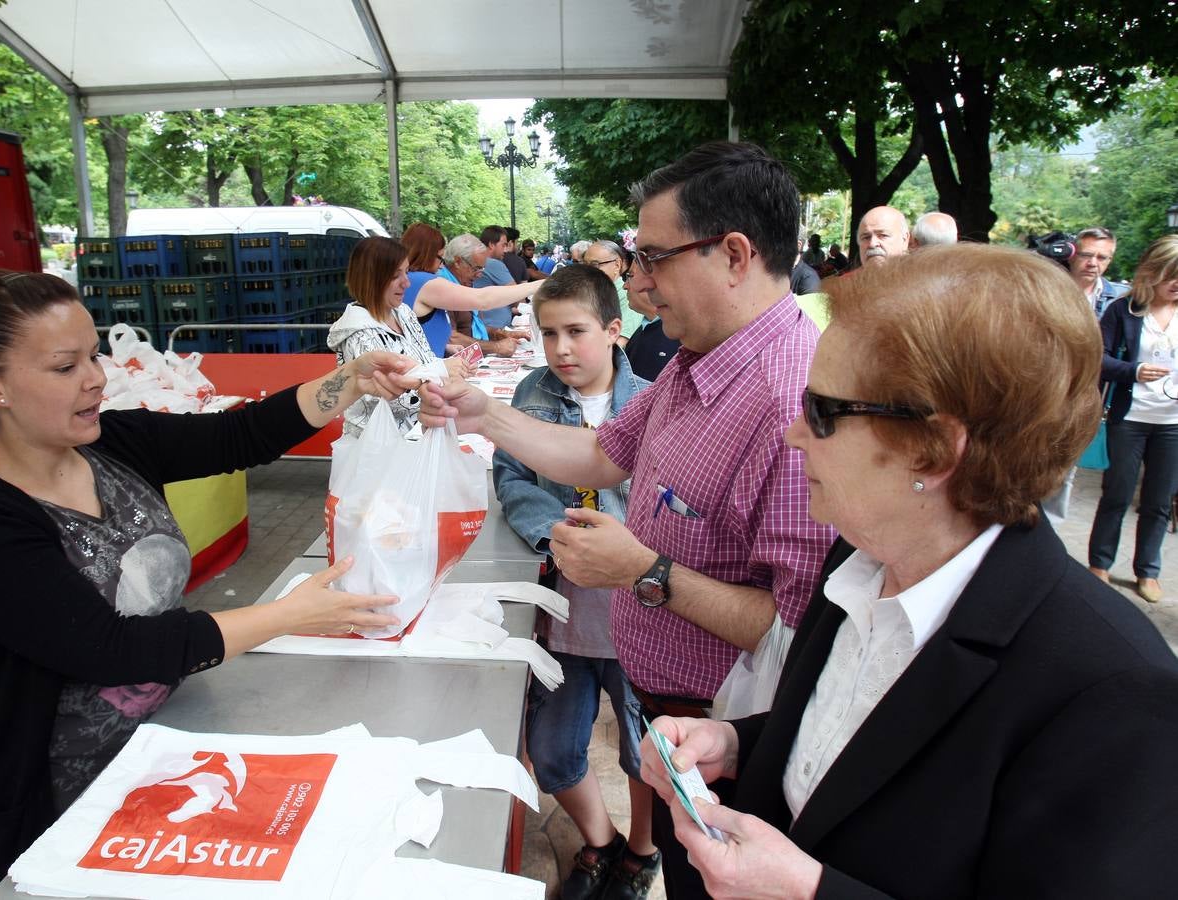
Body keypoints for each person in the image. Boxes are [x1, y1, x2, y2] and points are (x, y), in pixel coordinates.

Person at [641, 244, 1178, 899]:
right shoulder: (862, 556)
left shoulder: (1113, 689)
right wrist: (734, 745)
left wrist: (809, 892)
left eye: (821, 411)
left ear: (933, 451)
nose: (793, 434)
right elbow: (855, 752)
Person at [0, 270, 416, 885]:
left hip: (161, 749)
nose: (95, 378)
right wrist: (286, 615)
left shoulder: (115, 443)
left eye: (94, 356)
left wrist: (352, 379)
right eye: (65, 367)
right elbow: (108, 649)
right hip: (52, 797)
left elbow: (238, 436)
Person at [420, 141, 835, 894]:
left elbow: (799, 635)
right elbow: (601, 453)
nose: (638, 283)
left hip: (726, 736)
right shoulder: (695, 361)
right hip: (675, 724)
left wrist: (646, 572)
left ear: (733, 255)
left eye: (653, 258)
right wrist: (483, 414)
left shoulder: (791, 401)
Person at [494, 265, 658, 900]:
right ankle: (601, 839)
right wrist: (553, 534)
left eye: (576, 331)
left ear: (614, 330)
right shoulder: (530, 396)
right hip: (563, 611)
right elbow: (512, 476)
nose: (560, 348)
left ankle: (642, 852)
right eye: (548, 333)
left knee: (645, 752)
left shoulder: (650, 402)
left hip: (638, 613)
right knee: (552, 749)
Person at [1088, 235, 1178, 603]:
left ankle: (1148, 571)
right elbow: (1099, 358)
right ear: (1152, 272)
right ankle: (1099, 564)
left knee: (1159, 500)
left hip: (1172, 423)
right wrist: (1135, 371)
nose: (1176, 283)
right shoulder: (1123, 310)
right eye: (1171, 275)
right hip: (1130, 418)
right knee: (1117, 494)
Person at [327, 236, 470, 437]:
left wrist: (450, 369)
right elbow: (388, 397)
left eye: (407, 272)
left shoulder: (403, 312)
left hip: (418, 434)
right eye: (396, 276)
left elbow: (425, 358)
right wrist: (441, 371)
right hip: (378, 444)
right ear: (371, 278)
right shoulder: (358, 332)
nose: (407, 283)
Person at [398, 223, 531, 358]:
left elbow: (466, 328)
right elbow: (483, 300)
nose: (441, 266)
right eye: (476, 268)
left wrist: (501, 334)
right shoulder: (427, 281)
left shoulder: (426, 280)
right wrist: (496, 347)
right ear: (457, 261)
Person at [583, 239, 644, 347]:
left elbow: (618, 345)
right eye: (585, 265)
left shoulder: (628, 297)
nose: (587, 271)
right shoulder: (590, 295)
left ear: (617, 265)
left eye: (595, 265)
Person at [1068, 226, 1129, 319]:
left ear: (1109, 260)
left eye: (1102, 258)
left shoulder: (1123, 296)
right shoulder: (1049, 292)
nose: (1092, 263)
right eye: (1086, 255)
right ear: (1071, 256)